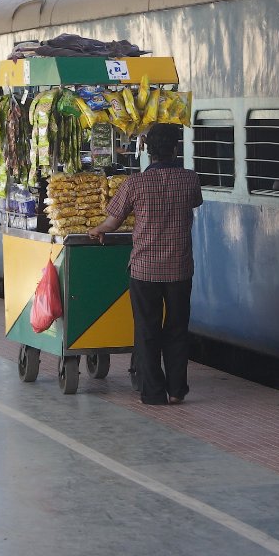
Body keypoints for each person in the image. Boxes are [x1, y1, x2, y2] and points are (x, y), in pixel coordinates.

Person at [88, 122, 203, 406]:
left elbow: (113, 220)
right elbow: (195, 204)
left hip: (145, 270)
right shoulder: (190, 179)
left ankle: (152, 392)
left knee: (147, 330)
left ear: (148, 151)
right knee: (177, 329)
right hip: (179, 268)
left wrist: (99, 229)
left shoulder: (135, 183)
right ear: (176, 149)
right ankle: (177, 390)